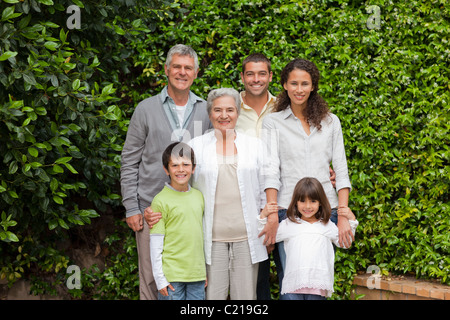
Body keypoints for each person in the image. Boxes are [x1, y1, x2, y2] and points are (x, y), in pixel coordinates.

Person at [120, 44, 211, 300]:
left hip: (191, 212)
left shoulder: (205, 111)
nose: (182, 72)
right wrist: (132, 207)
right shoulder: (145, 109)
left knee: (191, 278)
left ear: (195, 73)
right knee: (152, 280)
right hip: (152, 210)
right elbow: (129, 161)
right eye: (177, 67)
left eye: (188, 68)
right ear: (166, 69)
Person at [262, 58, 355, 291]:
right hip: (286, 211)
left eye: (305, 84)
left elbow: (341, 170)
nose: (299, 90)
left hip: (326, 212)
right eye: (294, 83)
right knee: (289, 281)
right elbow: (271, 170)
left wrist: (342, 214)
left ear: (313, 86)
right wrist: (272, 214)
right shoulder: (272, 122)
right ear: (284, 85)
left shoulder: (331, 122)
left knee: (318, 282)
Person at [187, 87, 268, 300]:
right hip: (211, 239)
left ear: (238, 113)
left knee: (246, 299)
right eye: (218, 110)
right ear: (210, 113)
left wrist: (268, 223)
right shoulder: (195, 146)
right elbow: (185, 189)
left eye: (230, 110)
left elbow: (264, 190)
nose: (224, 115)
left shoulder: (255, 146)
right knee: (213, 298)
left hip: (247, 237)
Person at [258, 177, 358, 300]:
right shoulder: (288, 224)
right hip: (292, 287)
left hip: (317, 287)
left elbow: (345, 243)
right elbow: (266, 238)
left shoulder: (326, 225)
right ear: (295, 202)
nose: (307, 206)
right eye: (302, 201)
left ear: (320, 202)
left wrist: (351, 218)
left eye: (313, 201)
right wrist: (263, 216)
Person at [150, 142, 206, 300]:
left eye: (186, 164)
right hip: (172, 277)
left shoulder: (199, 196)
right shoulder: (160, 201)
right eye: (174, 165)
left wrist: (204, 272)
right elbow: (155, 244)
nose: (181, 169)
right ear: (166, 169)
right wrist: (160, 279)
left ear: (193, 168)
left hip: (197, 276)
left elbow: (201, 235)